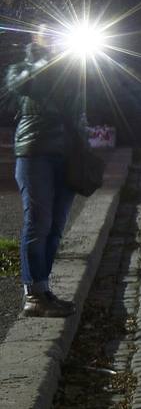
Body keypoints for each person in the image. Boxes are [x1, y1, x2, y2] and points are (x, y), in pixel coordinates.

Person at [5, 33, 82, 318]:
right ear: (36, 38)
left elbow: (85, 103)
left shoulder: (74, 65)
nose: (53, 39)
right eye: (46, 34)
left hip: (68, 154)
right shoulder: (21, 66)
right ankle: (33, 294)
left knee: (56, 225)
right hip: (35, 152)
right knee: (38, 222)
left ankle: (43, 287)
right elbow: (24, 84)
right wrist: (46, 57)